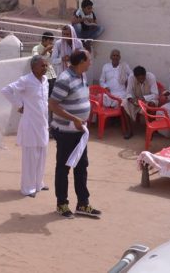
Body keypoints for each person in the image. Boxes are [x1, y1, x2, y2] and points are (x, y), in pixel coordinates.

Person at [49, 49, 101, 219]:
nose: (90, 62)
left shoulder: (81, 75)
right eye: (89, 59)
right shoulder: (64, 79)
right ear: (81, 62)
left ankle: (83, 204)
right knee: (63, 168)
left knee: (81, 167)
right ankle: (62, 204)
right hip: (66, 132)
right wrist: (74, 118)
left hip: (80, 132)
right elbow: (53, 105)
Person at [1, 55, 51, 198]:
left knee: (42, 155)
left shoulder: (45, 80)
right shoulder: (25, 80)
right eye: (42, 65)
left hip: (42, 123)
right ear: (33, 67)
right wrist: (19, 105)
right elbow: (6, 90)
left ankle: (38, 183)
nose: (45, 68)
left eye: (46, 65)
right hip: (30, 124)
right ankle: (28, 188)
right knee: (30, 157)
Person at [123, 66, 159, 137]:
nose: (141, 80)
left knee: (152, 104)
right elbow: (128, 93)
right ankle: (129, 130)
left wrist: (144, 98)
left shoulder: (151, 77)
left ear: (145, 75)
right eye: (139, 79)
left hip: (148, 99)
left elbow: (156, 94)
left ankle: (150, 130)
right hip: (136, 100)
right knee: (124, 104)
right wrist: (131, 100)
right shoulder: (131, 78)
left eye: (143, 78)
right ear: (135, 77)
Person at [32, 31, 57, 97]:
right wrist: (45, 50)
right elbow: (36, 60)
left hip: (53, 75)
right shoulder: (36, 48)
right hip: (44, 76)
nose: (51, 43)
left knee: (52, 96)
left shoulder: (51, 50)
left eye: (52, 41)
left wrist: (51, 54)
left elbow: (52, 62)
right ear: (44, 40)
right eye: (49, 41)